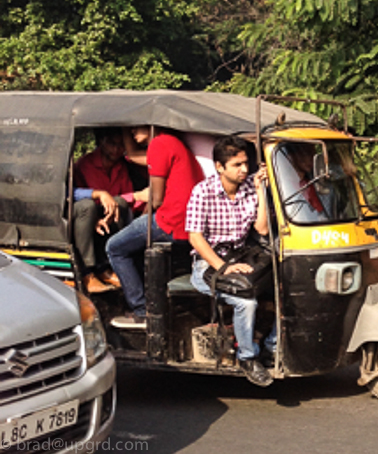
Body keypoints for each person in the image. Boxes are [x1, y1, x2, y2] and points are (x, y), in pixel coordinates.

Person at [185, 135, 275, 387]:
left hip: (241, 258)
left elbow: (262, 229)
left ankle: (271, 345)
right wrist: (223, 268)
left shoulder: (248, 188)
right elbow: (195, 237)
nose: (244, 169)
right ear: (219, 167)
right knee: (245, 301)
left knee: (285, 285)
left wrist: (260, 191)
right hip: (208, 265)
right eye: (237, 165)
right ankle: (248, 358)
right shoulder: (202, 192)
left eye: (246, 163)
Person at [107, 126, 204, 328]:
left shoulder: (159, 144)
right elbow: (133, 156)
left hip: (171, 219)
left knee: (114, 248)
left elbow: (157, 199)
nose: (133, 131)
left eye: (137, 126)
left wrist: (140, 220)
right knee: (134, 236)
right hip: (188, 220)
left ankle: (141, 310)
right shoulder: (172, 143)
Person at [73, 128, 148, 293]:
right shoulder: (86, 164)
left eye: (121, 145)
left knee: (120, 203)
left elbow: (124, 199)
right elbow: (84, 199)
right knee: (89, 207)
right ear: (102, 142)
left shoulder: (122, 167)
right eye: (112, 144)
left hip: (108, 215)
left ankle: (112, 266)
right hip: (88, 214)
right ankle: (87, 272)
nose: (116, 150)